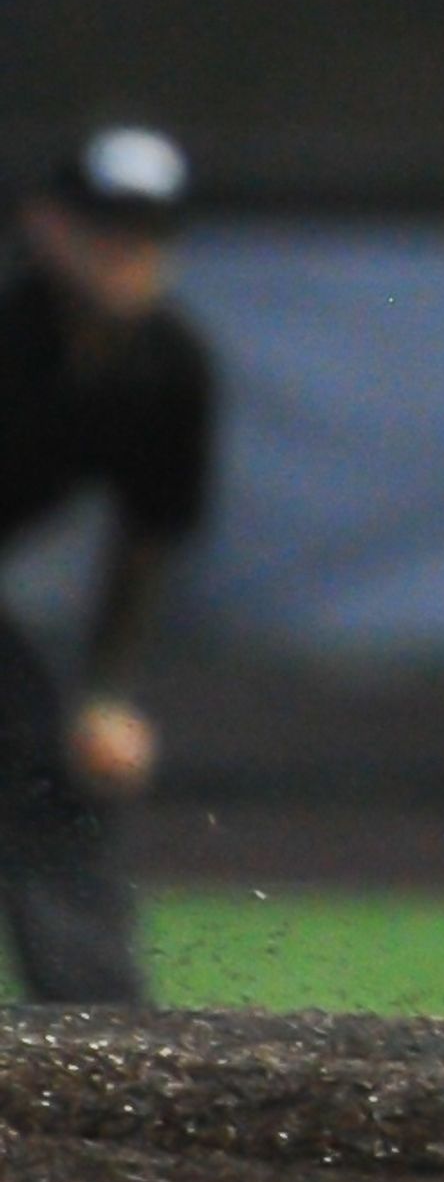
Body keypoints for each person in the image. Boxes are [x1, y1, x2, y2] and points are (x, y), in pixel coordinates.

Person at [0, 128, 216, 1005]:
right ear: (46, 227)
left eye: (150, 232)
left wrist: (105, 692)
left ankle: (102, 1046)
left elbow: (145, 539)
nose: (129, 252)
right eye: (107, 228)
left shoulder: (169, 369)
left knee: (51, 768)